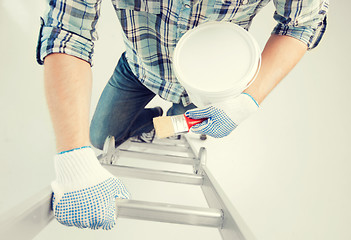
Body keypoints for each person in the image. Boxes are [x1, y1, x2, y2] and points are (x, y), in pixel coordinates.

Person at [37, 0, 329, 230]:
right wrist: (73, 159)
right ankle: (151, 120)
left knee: (176, 124)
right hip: (138, 69)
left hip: (204, 85)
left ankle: (158, 124)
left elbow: (303, 23)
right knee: (99, 136)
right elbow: (68, 30)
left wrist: (246, 101)